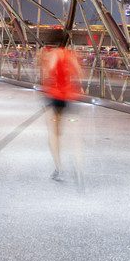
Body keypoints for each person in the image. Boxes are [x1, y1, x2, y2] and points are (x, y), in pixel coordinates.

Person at [39, 29, 82, 181]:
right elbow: (78, 73)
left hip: (54, 96)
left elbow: (48, 73)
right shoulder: (70, 55)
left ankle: (59, 167)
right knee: (73, 132)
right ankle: (78, 163)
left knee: (54, 133)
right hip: (69, 96)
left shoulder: (53, 54)